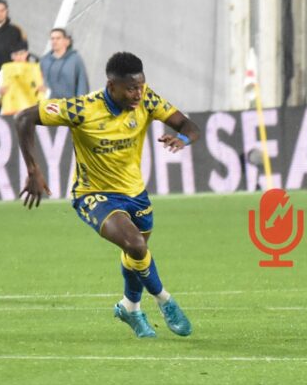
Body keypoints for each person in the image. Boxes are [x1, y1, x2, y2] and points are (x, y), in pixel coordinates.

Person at [15, 51, 199, 339]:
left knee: (135, 253)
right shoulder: (81, 109)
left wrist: (182, 139)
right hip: (93, 194)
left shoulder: (147, 100)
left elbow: (189, 126)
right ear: (111, 86)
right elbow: (24, 118)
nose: (138, 93)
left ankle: (130, 307)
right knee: (136, 244)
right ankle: (165, 300)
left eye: (141, 85)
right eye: (131, 88)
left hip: (135, 193)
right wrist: (33, 169)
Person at [0, 40, 46, 115]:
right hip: (10, 113)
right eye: (15, 54)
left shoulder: (36, 70)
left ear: (26, 53)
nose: (18, 57)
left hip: (31, 113)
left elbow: (45, 94)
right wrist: (0, 93)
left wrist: (45, 91)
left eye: (21, 54)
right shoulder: (4, 71)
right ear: (11, 56)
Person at [41, 28, 90, 99]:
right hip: (44, 104)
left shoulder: (75, 60)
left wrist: (80, 106)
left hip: (65, 106)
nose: (54, 41)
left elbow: (82, 86)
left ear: (67, 41)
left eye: (58, 38)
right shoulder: (45, 60)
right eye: (52, 39)